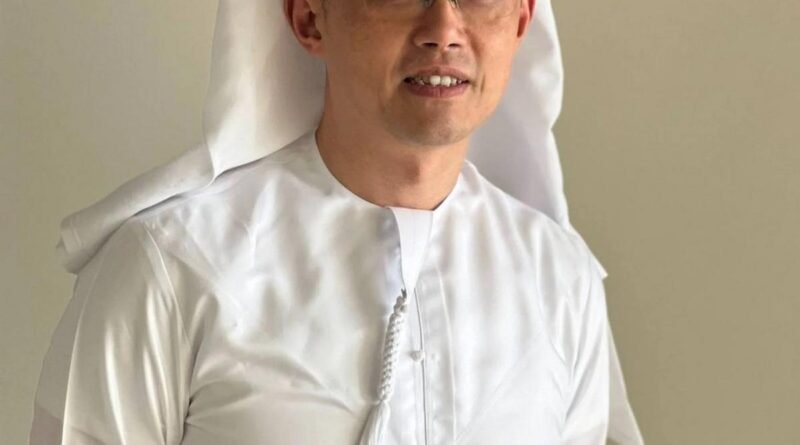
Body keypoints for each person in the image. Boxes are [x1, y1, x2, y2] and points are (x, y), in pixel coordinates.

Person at [29, 0, 644, 443]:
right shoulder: (169, 268)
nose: (443, 29)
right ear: (309, 18)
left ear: (521, 19)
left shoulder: (560, 280)